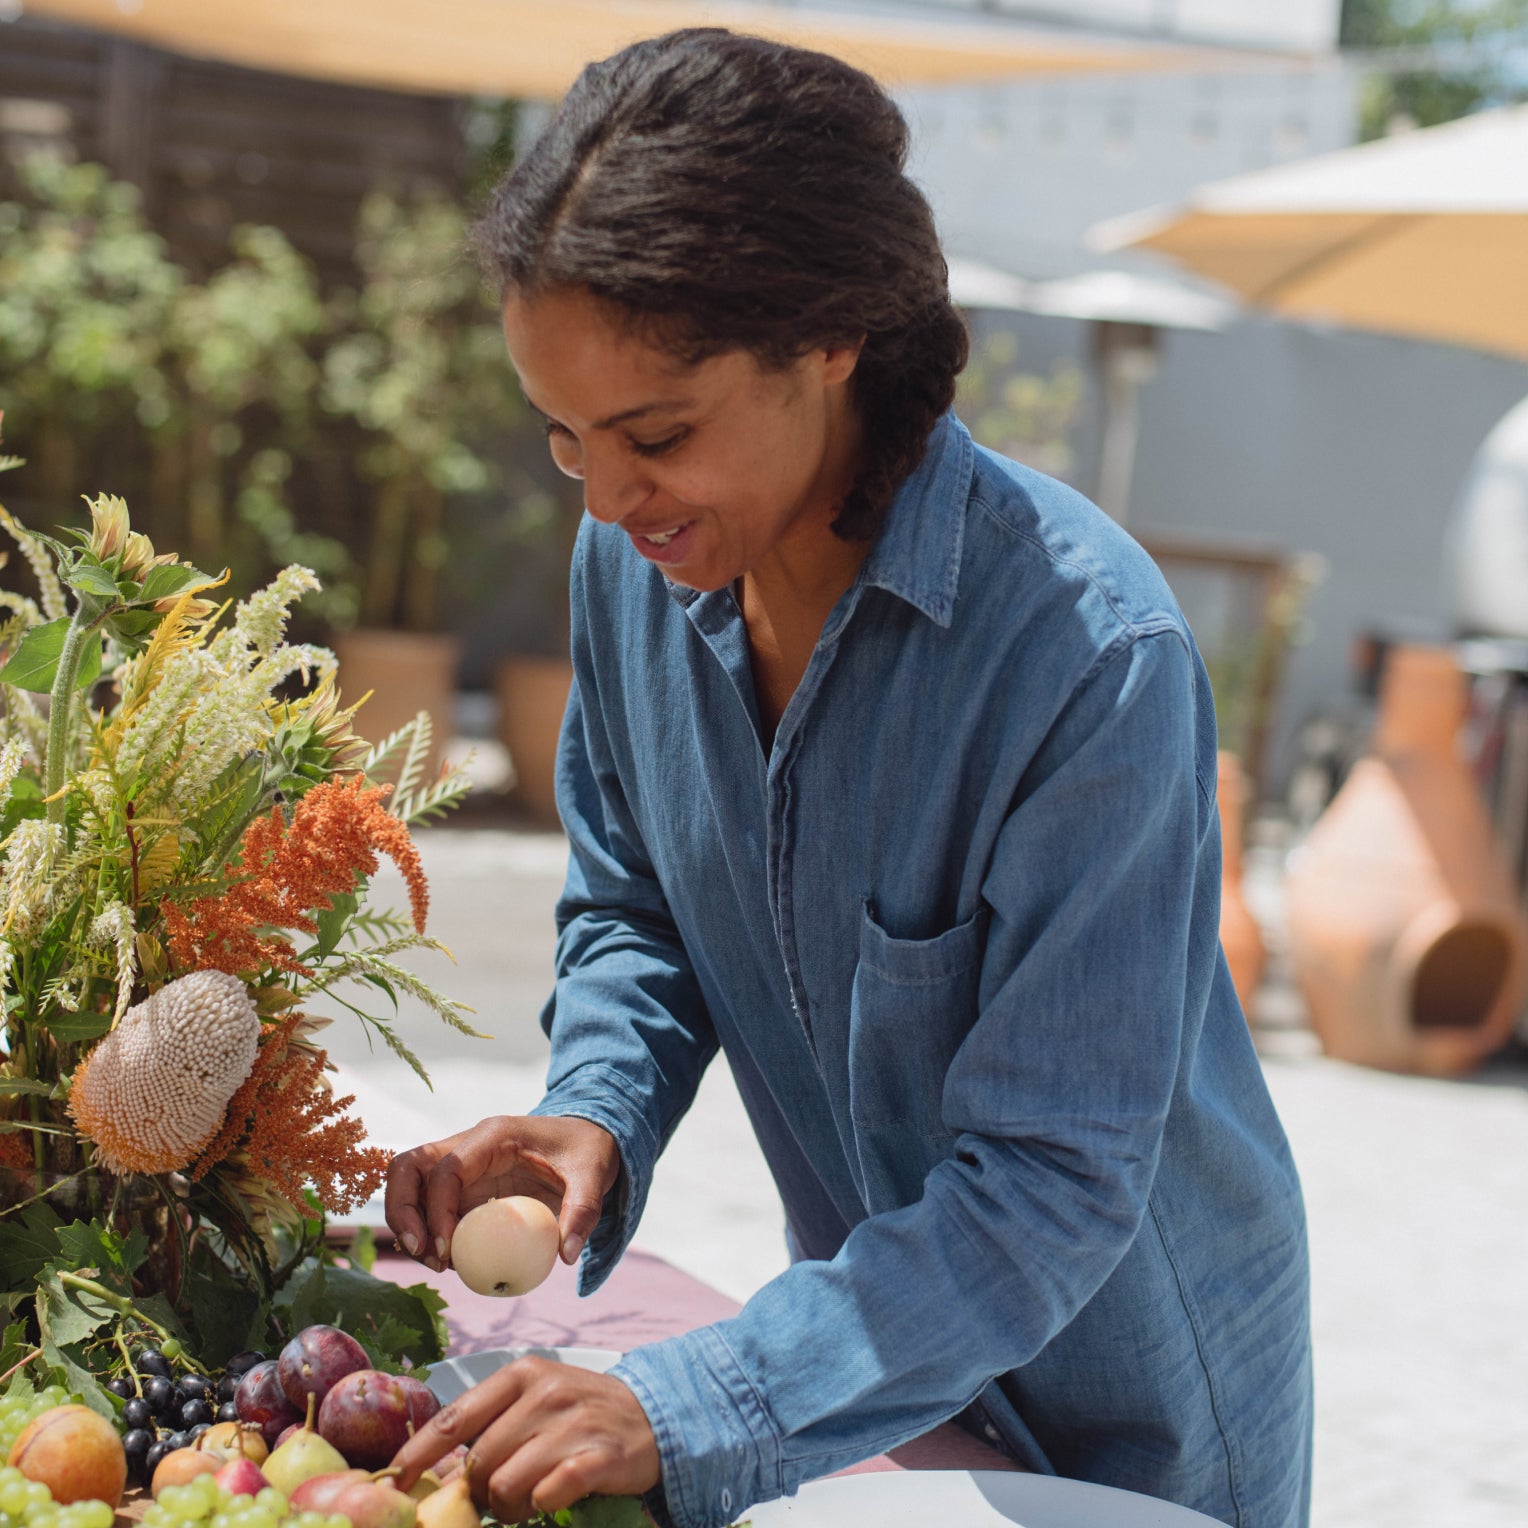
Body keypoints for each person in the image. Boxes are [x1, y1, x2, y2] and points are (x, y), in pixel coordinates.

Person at [385, 27, 1312, 1528]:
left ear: (831, 339)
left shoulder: (1088, 655)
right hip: (867, 1382)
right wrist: (595, 1111)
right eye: (564, 442)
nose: (609, 498)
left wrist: (694, 1403)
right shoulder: (634, 574)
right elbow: (638, 907)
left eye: (656, 435)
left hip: (1138, 1424)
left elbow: (1053, 1182)